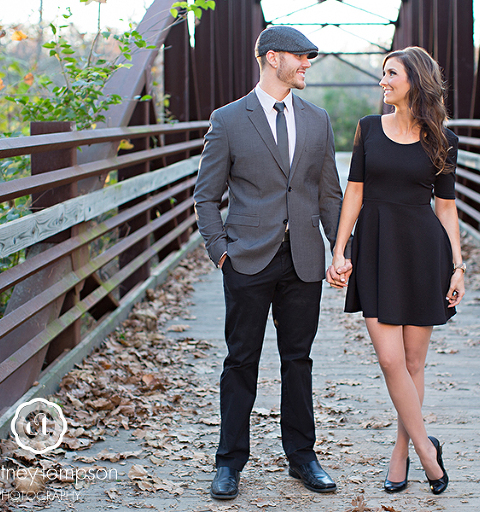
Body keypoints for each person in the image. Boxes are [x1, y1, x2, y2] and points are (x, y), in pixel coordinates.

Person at [193, 25, 346, 500]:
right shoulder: (228, 120)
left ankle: (302, 458)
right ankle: (229, 462)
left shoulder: (318, 120)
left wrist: (340, 250)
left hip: (303, 260)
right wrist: (221, 252)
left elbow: (329, 194)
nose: (307, 65)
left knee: (298, 361)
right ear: (272, 57)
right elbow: (205, 197)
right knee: (241, 361)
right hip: (246, 259)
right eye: (301, 57)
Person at [326, 46, 465, 495]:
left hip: (424, 251)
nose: (382, 81)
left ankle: (402, 452)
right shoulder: (368, 128)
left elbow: (446, 207)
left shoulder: (442, 138)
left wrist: (458, 266)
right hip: (376, 248)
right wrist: (339, 249)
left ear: (414, 81)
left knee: (413, 362)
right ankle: (428, 450)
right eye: (383, 73)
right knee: (390, 360)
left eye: (391, 74)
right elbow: (354, 192)